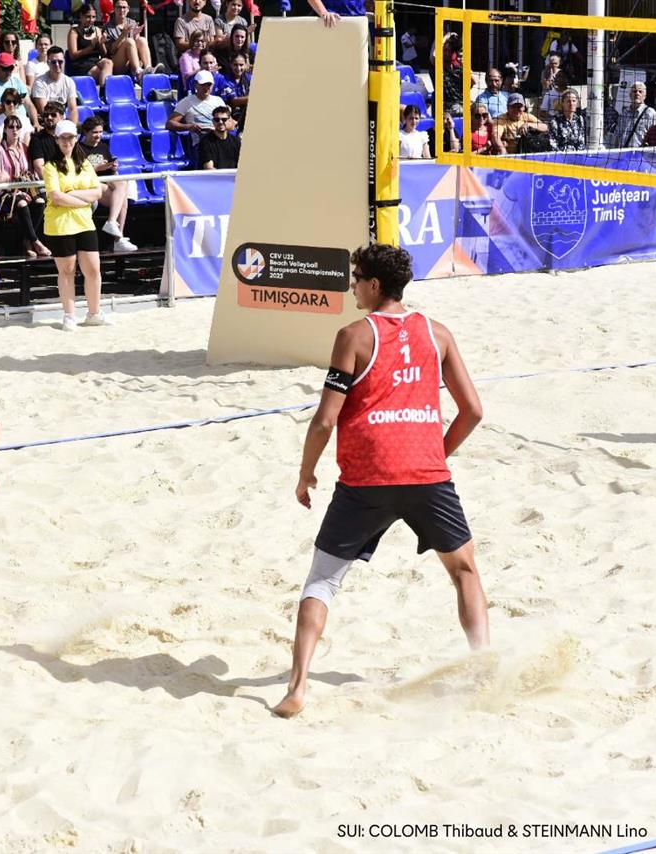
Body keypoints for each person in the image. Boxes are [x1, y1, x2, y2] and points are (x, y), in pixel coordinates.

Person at [272, 243, 487, 719]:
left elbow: (325, 421)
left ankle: (298, 689)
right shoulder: (438, 333)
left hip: (366, 477)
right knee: (465, 572)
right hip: (426, 475)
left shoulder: (353, 335)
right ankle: (483, 670)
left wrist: (306, 473)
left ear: (374, 285)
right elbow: (472, 411)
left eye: (356, 279)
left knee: (322, 580)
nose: (352, 286)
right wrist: (436, 453)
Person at [43, 119, 110, 330]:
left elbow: (97, 192)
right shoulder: (51, 166)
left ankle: (94, 313)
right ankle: (69, 315)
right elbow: (56, 196)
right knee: (67, 270)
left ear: (75, 138)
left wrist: (71, 195)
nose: (67, 141)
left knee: (93, 270)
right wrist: (82, 200)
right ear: (56, 139)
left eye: (70, 137)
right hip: (60, 224)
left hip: (84, 222)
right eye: (63, 138)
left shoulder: (85, 163)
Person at [0, 113, 49, 259]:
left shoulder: (24, 147)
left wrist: (26, 188)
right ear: (5, 129)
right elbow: (1, 175)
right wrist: (17, 189)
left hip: (25, 187)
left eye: (18, 127)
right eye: (11, 127)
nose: (15, 130)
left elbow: (30, 171)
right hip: (7, 190)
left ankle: (27, 241)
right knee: (22, 203)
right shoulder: (0, 150)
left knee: (40, 202)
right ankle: (35, 241)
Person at [78, 116, 135, 252]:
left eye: (100, 132)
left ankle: (112, 224)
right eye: (95, 132)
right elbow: (78, 173)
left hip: (105, 181)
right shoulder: (79, 148)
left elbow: (110, 171)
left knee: (122, 187)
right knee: (122, 198)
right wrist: (97, 168)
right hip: (89, 183)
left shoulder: (103, 147)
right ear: (86, 132)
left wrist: (113, 167)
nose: (98, 135)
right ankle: (118, 239)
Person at [168, 70, 228, 147]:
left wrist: (219, 127)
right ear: (195, 85)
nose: (206, 88)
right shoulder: (186, 102)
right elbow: (170, 124)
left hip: (220, 140)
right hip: (200, 143)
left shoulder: (218, 100)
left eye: (209, 85)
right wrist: (189, 127)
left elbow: (230, 123)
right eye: (203, 85)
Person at [104, 0, 157, 81]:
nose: (122, 10)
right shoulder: (108, 27)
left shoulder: (132, 22)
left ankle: (148, 69)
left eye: (124, 7)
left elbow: (137, 44)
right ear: (114, 9)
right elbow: (111, 51)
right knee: (129, 41)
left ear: (128, 9)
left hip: (132, 62)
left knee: (142, 40)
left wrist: (135, 35)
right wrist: (123, 35)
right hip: (117, 64)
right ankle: (138, 72)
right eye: (119, 7)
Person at [67, 4, 114, 88]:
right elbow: (73, 55)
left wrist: (101, 43)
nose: (91, 20)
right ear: (81, 16)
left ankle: (105, 92)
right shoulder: (74, 32)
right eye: (88, 17)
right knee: (100, 72)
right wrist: (90, 47)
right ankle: (104, 91)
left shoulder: (97, 30)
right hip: (81, 63)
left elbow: (104, 54)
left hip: (95, 61)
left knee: (108, 62)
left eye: (93, 17)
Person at [30, 46, 79, 124]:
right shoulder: (39, 82)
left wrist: (72, 127)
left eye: (60, 62)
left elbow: (73, 109)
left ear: (64, 62)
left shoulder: (69, 81)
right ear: (48, 63)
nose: (57, 65)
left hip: (63, 121)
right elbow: (44, 111)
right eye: (53, 62)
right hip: (47, 121)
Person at [616, 81, 656, 149]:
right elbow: (617, 136)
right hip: (624, 152)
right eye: (634, 91)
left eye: (640, 91)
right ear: (630, 95)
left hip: (642, 153)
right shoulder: (624, 113)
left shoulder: (651, 113)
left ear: (645, 96)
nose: (637, 93)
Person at [197, 104, 241, 169]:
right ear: (213, 121)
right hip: (216, 175)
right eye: (217, 119)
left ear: (229, 120)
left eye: (224, 119)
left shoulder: (236, 141)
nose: (220, 122)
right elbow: (209, 168)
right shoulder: (205, 142)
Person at [0, 52, 30, 118]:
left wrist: (36, 122)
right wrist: (11, 104)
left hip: (21, 119)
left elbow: (29, 104)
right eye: (5, 69)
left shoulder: (17, 81)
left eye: (11, 68)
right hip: (3, 121)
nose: (8, 72)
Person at [28, 101, 63, 176]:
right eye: (46, 115)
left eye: (53, 115)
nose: (49, 117)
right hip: (50, 180)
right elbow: (39, 167)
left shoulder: (67, 137)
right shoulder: (37, 138)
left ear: (61, 117)